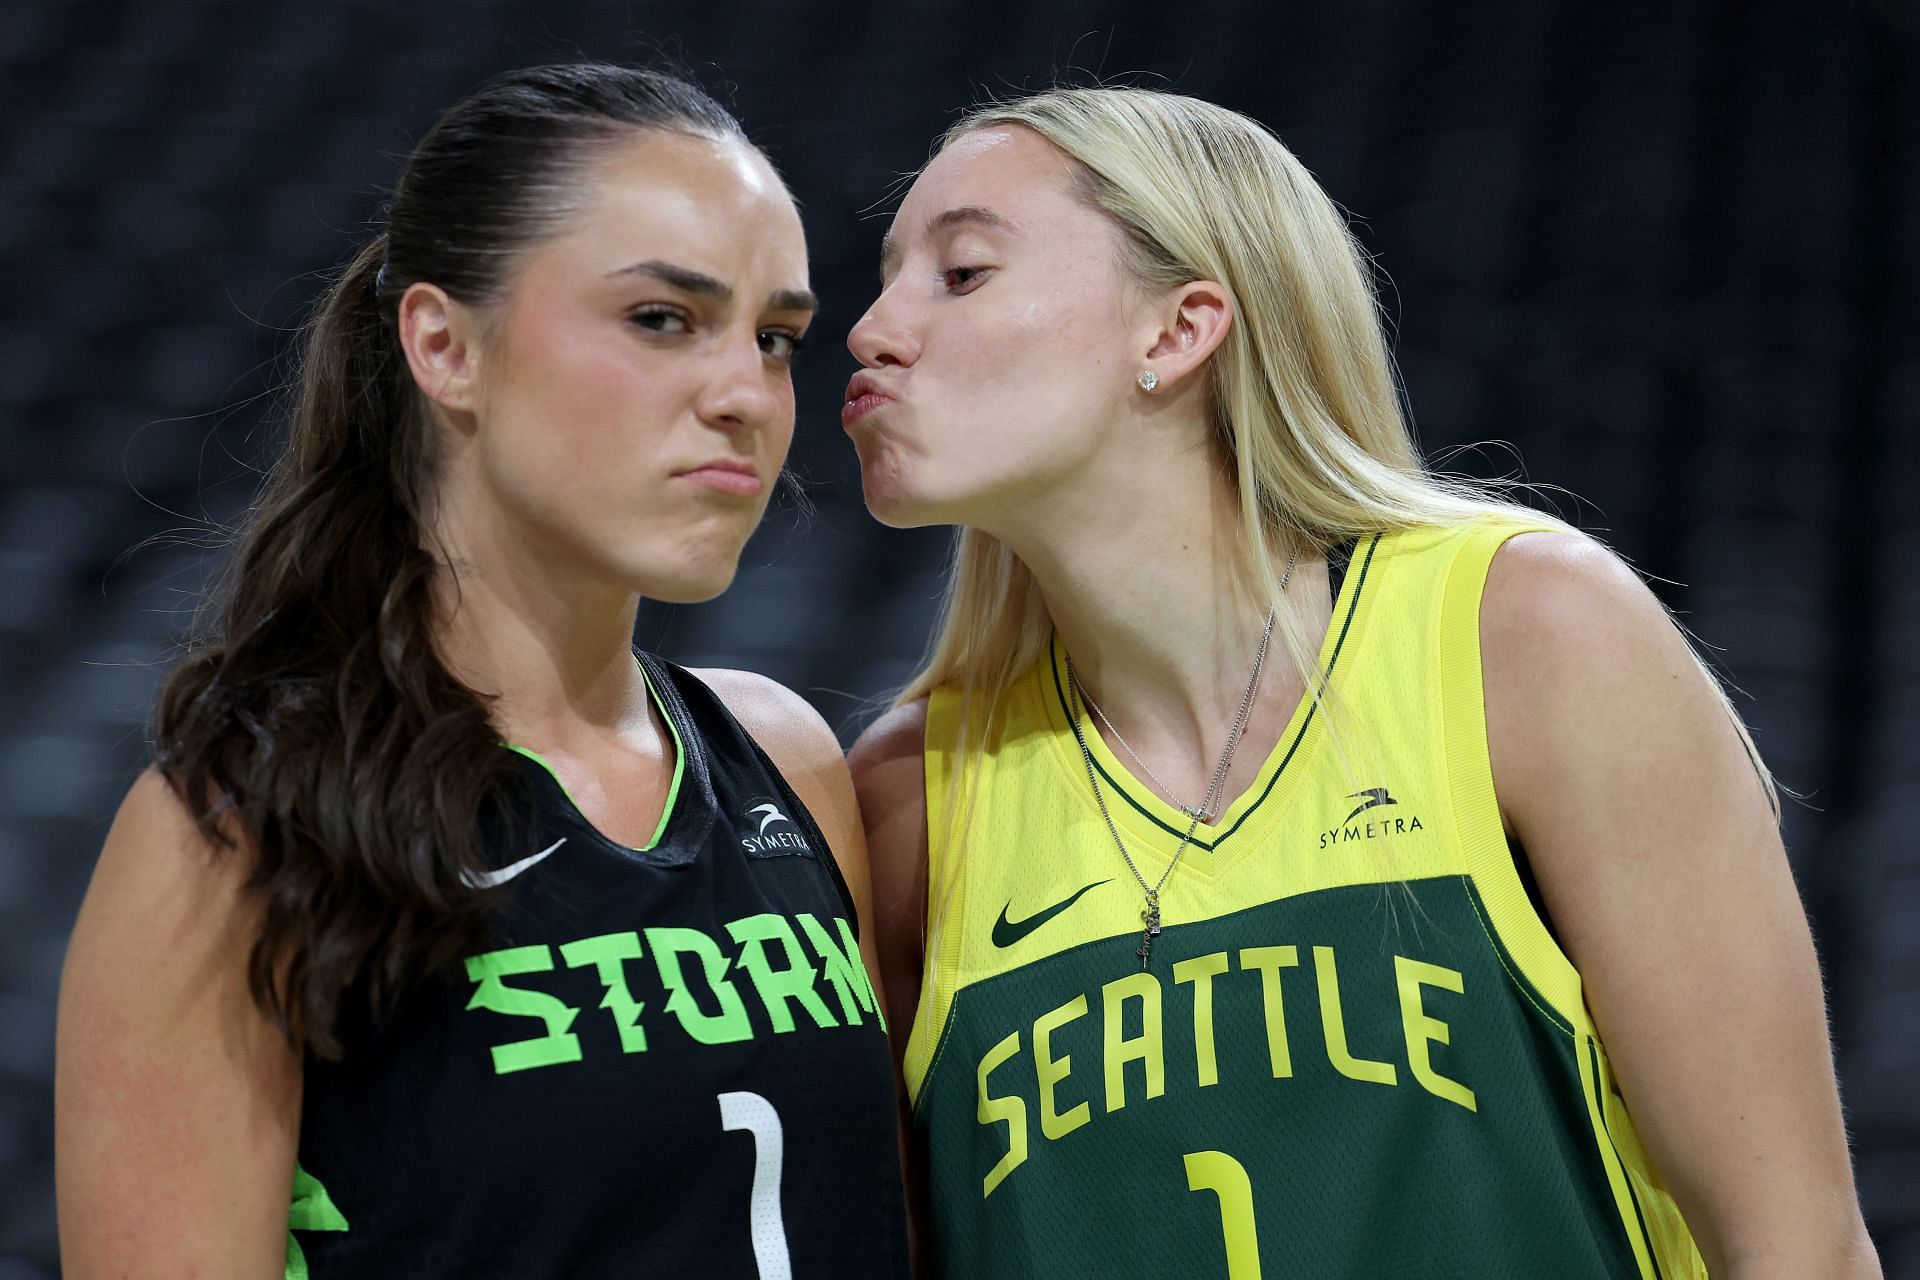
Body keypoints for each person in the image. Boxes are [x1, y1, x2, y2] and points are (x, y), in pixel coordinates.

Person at [844, 86, 1879, 1279]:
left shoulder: (1530, 637)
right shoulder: (911, 803)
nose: (874, 326)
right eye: (886, 276)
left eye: (960, 272)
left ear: (1177, 331)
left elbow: (1800, 1250)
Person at [57, 63, 907, 1279]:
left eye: (775, 338)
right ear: (445, 345)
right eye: (663, 318)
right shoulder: (237, 834)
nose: (744, 395)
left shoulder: (791, 761)